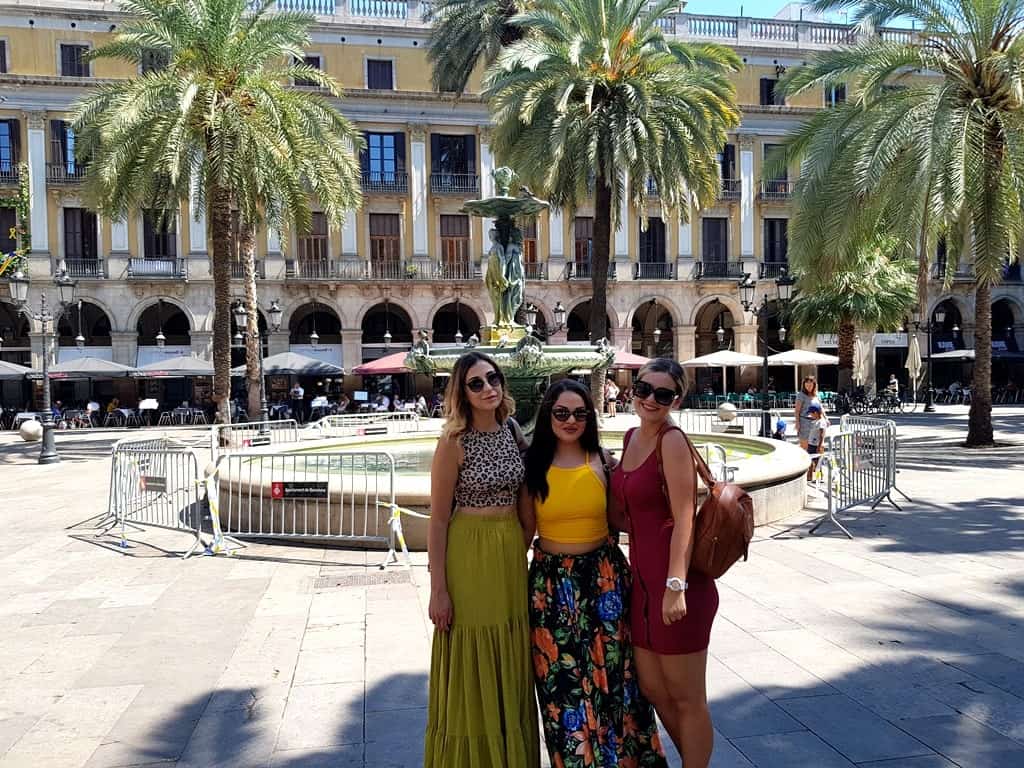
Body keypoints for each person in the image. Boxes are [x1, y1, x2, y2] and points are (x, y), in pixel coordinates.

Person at [521, 380, 667, 767]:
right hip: (550, 591)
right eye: (562, 413)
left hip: (605, 583)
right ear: (548, 414)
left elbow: (627, 516)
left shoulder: (604, 461)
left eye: (580, 413)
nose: (571, 420)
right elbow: (521, 534)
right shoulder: (532, 468)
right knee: (563, 691)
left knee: (617, 686)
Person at [424, 351, 539, 768]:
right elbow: (437, 522)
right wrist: (439, 590)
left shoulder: (510, 429)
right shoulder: (453, 441)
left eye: (493, 378)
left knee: (508, 649)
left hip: (509, 551)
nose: (489, 388)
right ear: (462, 392)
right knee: (474, 652)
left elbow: (538, 468)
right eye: (477, 383)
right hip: (469, 552)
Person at [611, 358, 718, 768]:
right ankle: (696, 758)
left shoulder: (671, 441)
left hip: (678, 586)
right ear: (632, 389)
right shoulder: (631, 436)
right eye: (643, 389)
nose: (650, 400)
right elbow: (626, 512)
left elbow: (685, 517)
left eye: (663, 394)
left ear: (677, 399)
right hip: (642, 585)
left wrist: (676, 586)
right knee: (655, 689)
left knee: (688, 697)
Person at [794, 375, 821, 453]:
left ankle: (815, 464)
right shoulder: (801, 395)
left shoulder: (816, 395)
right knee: (804, 447)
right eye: (807, 384)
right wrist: (797, 423)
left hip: (816, 423)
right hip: (805, 422)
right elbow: (797, 410)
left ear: (814, 385)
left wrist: (825, 419)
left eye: (810, 384)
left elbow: (820, 408)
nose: (808, 386)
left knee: (817, 446)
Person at [805, 403, 829, 482]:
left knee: (818, 462)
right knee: (811, 461)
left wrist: (820, 445)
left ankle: (820, 477)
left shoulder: (821, 422)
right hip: (811, 444)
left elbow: (822, 434)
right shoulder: (815, 421)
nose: (810, 415)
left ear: (815, 413)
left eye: (811, 413)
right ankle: (809, 476)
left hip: (816, 445)